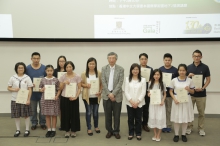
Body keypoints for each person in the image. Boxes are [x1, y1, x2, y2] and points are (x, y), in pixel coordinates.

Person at [186, 50, 211, 136]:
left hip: (201, 95)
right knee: (189, 112)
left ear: (201, 57)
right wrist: (188, 76)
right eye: (195, 56)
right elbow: (184, 80)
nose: (196, 57)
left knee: (201, 113)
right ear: (192, 57)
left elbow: (208, 79)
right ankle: (189, 127)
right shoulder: (188, 67)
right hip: (191, 94)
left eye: (198, 56)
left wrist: (203, 88)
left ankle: (201, 128)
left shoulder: (205, 67)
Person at [101, 52, 124, 139]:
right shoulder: (104, 68)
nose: (111, 60)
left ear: (116, 59)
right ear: (107, 59)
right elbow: (103, 81)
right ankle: (109, 131)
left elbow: (120, 82)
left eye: (113, 58)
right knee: (107, 115)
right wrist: (109, 94)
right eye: (109, 58)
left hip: (117, 96)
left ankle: (116, 131)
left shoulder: (121, 69)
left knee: (117, 115)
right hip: (106, 95)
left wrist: (113, 94)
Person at [169, 64, 195, 142]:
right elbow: (170, 91)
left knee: (185, 118)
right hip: (177, 101)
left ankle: (183, 134)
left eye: (183, 70)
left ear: (186, 71)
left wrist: (189, 89)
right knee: (176, 119)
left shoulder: (190, 80)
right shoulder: (174, 80)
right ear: (178, 71)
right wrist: (174, 99)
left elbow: (193, 91)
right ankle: (176, 134)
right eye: (180, 70)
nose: (182, 72)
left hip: (186, 100)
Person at [7, 62, 33, 137]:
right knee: (16, 115)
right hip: (15, 99)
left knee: (26, 115)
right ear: (16, 69)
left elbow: (30, 89)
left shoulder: (27, 77)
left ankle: (27, 130)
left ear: (24, 69)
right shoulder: (13, 77)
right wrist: (14, 89)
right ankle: (18, 130)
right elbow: (8, 87)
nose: (20, 69)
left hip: (25, 99)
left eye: (22, 68)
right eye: (19, 68)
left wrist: (28, 99)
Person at [59, 61, 81, 138]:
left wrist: (76, 96)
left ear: (73, 67)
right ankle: (67, 130)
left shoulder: (77, 76)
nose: (68, 68)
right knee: (65, 114)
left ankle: (74, 130)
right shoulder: (63, 76)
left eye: (70, 67)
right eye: (67, 67)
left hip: (74, 98)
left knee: (74, 114)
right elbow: (60, 88)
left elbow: (79, 88)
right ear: (65, 68)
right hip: (64, 97)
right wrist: (63, 83)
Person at [125, 63, 146, 141]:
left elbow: (143, 92)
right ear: (131, 70)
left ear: (139, 70)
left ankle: (138, 133)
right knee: (130, 118)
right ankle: (131, 133)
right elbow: (126, 91)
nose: (135, 71)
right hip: (129, 103)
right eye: (134, 69)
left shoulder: (143, 79)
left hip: (139, 103)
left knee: (138, 119)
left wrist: (137, 102)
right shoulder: (127, 79)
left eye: (137, 69)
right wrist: (131, 101)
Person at [81, 57, 102, 136]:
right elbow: (81, 83)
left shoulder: (99, 73)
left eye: (93, 63)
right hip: (87, 96)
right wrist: (86, 85)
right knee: (89, 112)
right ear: (87, 64)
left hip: (96, 96)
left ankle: (96, 126)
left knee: (96, 113)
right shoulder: (84, 73)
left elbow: (101, 84)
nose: (92, 65)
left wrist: (100, 91)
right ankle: (89, 128)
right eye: (90, 64)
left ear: (95, 64)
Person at [26, 52, 46, 130]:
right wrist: (30, 84)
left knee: (42, 110)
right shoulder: (27, 68)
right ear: (31, 59)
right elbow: (25, 79)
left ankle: (42, 123)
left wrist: (44, 87)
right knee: (33, 110)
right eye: (34, 58)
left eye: (38, 58)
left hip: (42, 93)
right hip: (32, 94)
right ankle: (34, 123)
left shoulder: (44, 68)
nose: (36, 60)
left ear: (40, 59)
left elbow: (47, 78)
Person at [39, 65, 60, 137]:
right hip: (45, 100)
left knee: (54, 115)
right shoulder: (43, 79)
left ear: (53, 71)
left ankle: (53, 130)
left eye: (51, 71)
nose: (49, 72)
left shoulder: (56, 80)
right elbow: (39, 88)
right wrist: (41, 90)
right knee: (47, 115)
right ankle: (49, 130)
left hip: (54, 99)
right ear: (46, 71)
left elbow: (59, 89)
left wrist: (57, 96)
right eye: (48, 71)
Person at [159, 53, 178, 133]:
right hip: (161, 93)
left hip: (170, 93)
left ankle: (169, 125)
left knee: (169, 110)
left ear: (171, 60)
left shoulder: (175, 70)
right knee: (162, 110)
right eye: (166, 60)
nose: (167, 61)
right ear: (163, 60)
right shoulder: (160, 69)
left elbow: (177, 81)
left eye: (169, 60)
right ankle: (163, 125)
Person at [148, 69, 166, 142]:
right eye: (155, 74)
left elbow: (165, 94)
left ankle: (159, 134)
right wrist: (148, 94)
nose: (156, 76)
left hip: (160, 104)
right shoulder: (150, 83)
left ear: (160, 75)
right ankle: (155, 134)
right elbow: (148, 93)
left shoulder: (163, 83)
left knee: (160, 118)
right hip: (153, 104)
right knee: (153, 118)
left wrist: (162, 101)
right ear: (153, 75)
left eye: (158, 74)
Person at [139, 53, 153, 132]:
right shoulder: (136, 68)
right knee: (138, 108)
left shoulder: (150, 69)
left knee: (146, 108)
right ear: (139, 60)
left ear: (147, 60)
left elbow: (153, 80)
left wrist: (150, 81)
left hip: (147, 91)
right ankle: (138, 123)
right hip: (138, 92)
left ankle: (145, 124)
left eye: (145, 59)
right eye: (142, 59)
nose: (144, 61)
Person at [53, 55, 67, 130]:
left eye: (63, 61)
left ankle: (67, 123)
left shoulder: (68, 70)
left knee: (66, 109)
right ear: (58, 62)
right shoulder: (55, 71)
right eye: (60, 61)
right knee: (60, 109)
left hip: (66, 91)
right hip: (58, 92)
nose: (61, 63)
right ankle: (62, 124)